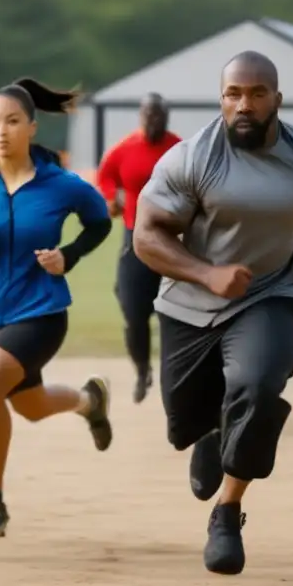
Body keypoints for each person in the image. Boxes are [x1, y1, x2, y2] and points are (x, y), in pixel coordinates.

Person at [133, 51, 293, 577]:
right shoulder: (192, 159)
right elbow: (146, 235)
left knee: (257, 385)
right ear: (221, 98)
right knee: (184, 424)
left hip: (272, 292)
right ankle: (208, 436)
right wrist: (207, 274)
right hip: (191, 302)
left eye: (256, 94)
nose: (244, 105)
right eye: (233, 94)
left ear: (278, 98)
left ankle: (228, 511)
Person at [0, 78, 114, 539]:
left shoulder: (60, 183)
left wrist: (68, 256)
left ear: (31, 127)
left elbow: (99, 221)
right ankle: (90, 401)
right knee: (28, 405)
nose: (1, 131)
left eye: (12, 122)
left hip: (42, 312)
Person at [96, 92, 181, 403]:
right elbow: (105, 176)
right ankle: (142, 368)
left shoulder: (178, 148)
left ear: (166, 117)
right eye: (148, 115)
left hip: (172, 238)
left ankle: (174, 375)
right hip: (135, 236)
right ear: (141, 117)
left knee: (173, 311)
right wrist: (110, 197)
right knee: (133, 310)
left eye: (159, 115)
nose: (153, 121)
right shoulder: (125, 148)